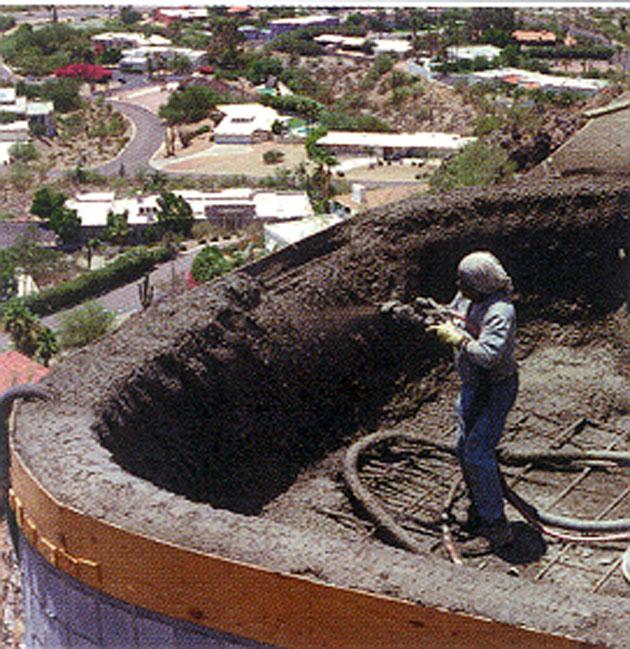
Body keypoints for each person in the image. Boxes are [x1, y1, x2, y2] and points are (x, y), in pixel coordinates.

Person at [428, 251, 518, 550]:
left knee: (478, 451)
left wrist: (459, 339)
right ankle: (480, 503)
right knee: (462, 446)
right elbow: (455, 313)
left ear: (482, 284)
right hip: (473, 386)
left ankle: (496, 525)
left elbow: (490, 356)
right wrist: (433, 313)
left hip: (494, 389)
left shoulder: (500, 311)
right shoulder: (469, 296)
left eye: (464, 282)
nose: (459, 286)